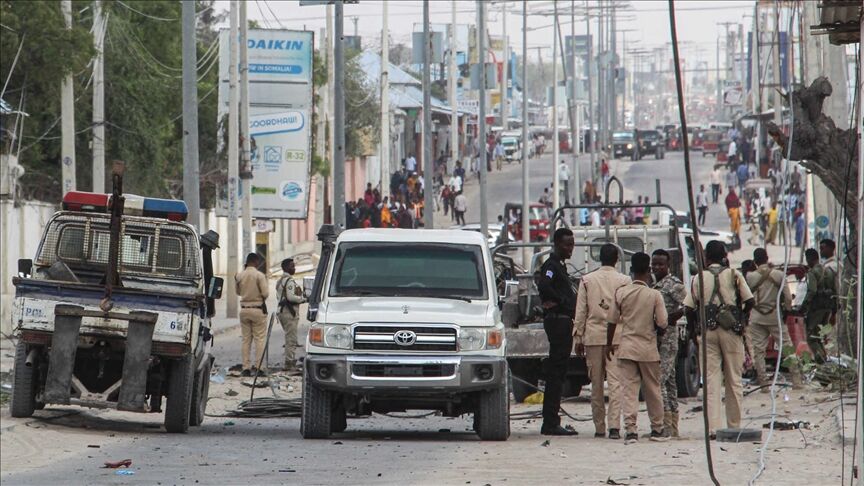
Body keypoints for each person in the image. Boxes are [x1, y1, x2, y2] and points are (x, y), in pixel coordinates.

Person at [683, 241, 754, 438]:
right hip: (732, 330)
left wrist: (693, 330)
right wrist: (742, 319)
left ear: (706, 257)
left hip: (708, 332)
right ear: (724, 255)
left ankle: (712, 429)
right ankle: (733, 426)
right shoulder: (734, 274)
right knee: (734, 380)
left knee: (711, 380)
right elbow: (750, 301)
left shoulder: (699, 277)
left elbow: (688, 307)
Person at [606, 252, 670, 444]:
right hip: (648, 349)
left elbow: (611, 321)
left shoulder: (621, 293)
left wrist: (609, 343)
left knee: (629, 391)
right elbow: (663, 322)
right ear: (649, 271)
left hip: (626, 347)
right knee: (653, 389)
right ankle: (657, 429)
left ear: (631, 271)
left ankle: (631, 430)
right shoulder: (654, 295)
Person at [573, 243, 631, 439]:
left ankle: (599, 427)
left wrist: (578, 337)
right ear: (616, 259)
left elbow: (581, 312)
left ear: (599, 258)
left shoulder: (587, 280)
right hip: (617, 336)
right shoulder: (625, 280)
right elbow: (628, 309)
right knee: (615, 383)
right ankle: (614, 427)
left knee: (595, 383)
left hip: (593, 336)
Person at [536, 228, 579, 436]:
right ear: (556, 244)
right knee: (556, 373)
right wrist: (561, 302)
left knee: (559, 373)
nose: (570, 248)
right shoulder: (551, 266)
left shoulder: (559, 266)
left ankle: (552, 420)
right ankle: (550, 422)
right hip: (558, 321)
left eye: (572, 244)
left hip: (563, 322)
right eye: (566, 244)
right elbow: (544, 284)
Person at [651, 249, 687, 437]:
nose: (656, 267)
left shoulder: (673, 285)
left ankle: (665, 425)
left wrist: (672, 317)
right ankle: (672, 427)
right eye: (654, 264)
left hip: (668, 338)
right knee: (670, 381)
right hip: (658, 337)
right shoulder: (655, 284)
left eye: (660, 264)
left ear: (668, 265)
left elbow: (689, 304)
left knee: (659, 380)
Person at [746, 248, 792, 390]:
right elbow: (788, 298)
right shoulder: (779, 275)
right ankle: (797, 380)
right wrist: (787, 311)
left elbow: (746, 297)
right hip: (774, 316)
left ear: (755, 261)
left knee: (759, 350)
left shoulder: (749, 276)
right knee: (786, 346)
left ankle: (764, 383)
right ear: (767, 258)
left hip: (757, 317)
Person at [799, 241, 837, 363]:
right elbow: (835, 290)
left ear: (810, 259)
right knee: (820, 336)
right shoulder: (828, 270)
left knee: (811, 338)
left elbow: (811, 291)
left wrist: (803, 307)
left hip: (816, 309)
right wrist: (834, 310)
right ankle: (824, 360)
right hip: (827, 308)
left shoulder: (812, 272)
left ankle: (820, 361)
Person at [235, 253, 270, 376]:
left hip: (244, 309)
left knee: (246, 340)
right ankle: (259, 367)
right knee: (259, 339)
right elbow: (265, 294)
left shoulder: (240, 276)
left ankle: (246, 368)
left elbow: (238, 292)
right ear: (255, 262)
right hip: (257, 309)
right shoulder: (259, 275)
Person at [276, 258, 305, 372]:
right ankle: (289, 363)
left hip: (282, 312)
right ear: (287, 268)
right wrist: (303, 299)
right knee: (291, 339)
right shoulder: (289, 281)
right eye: (292, 266)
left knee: (290, 337)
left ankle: (290, 361)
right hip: (288, 312)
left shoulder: (280, 280)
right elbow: (291, 297)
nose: (294, 268)